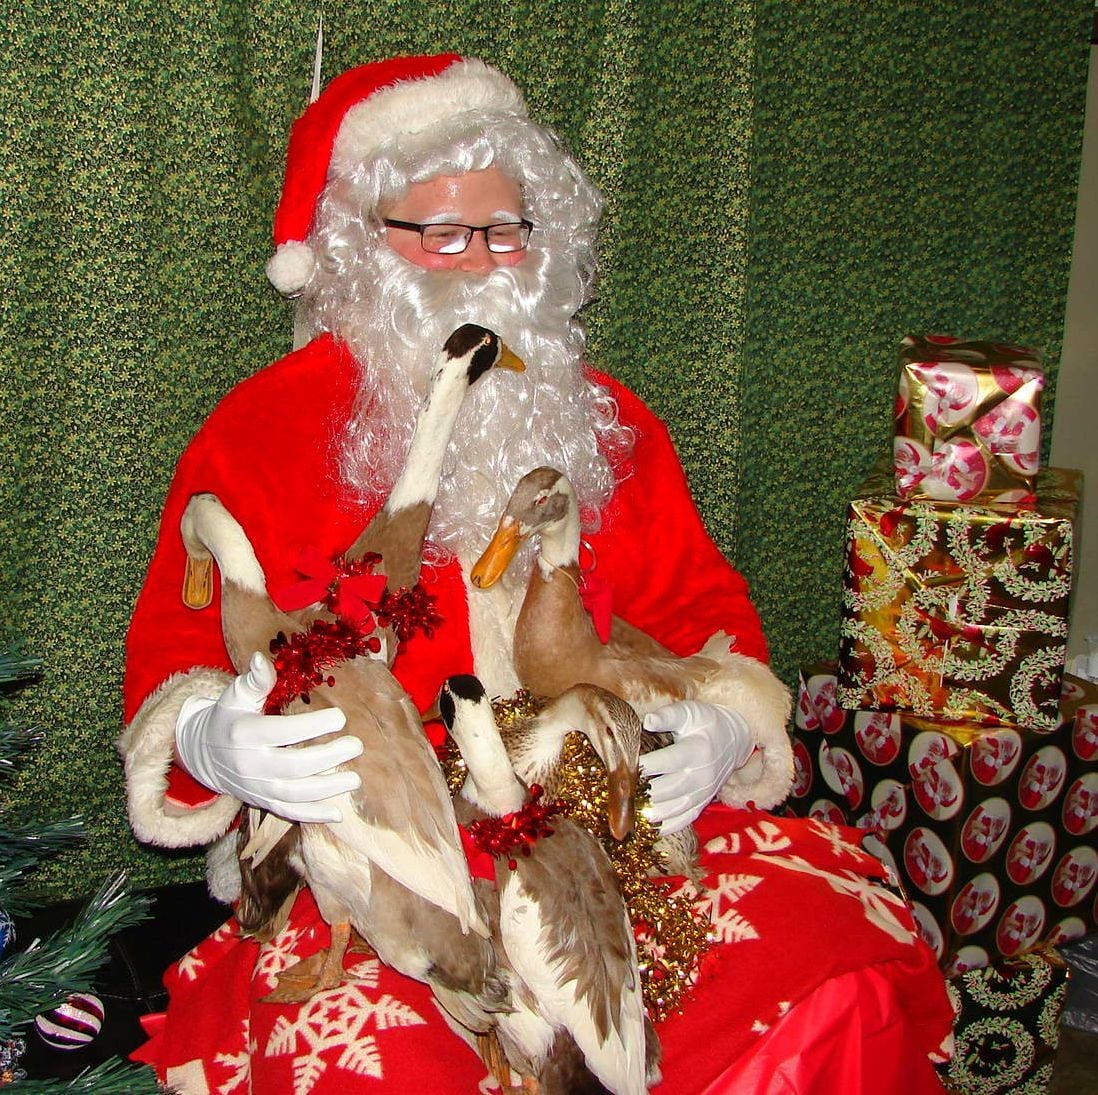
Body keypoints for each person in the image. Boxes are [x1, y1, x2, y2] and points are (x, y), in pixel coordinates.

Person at [119, 54, 953, 1093]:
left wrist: (726, 723)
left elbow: (702, 606)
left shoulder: (609, 420)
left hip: (606, 827)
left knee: (834, 965)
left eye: (507, 230)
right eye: (442, 233)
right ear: (358, 246)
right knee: (386, 1069)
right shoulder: (263, 430)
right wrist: (210, 739)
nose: (482, 262)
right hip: (384, 869)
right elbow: (177, 645)